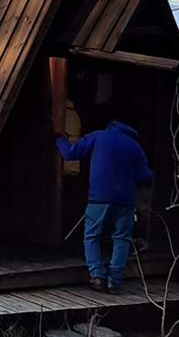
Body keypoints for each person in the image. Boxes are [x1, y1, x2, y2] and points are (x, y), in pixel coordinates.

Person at [56, 119, 154, 291]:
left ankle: (97, 276)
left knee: (92, 235)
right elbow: (146, 177)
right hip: (126, 200)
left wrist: (59, 140)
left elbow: (70, 154)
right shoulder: (135, 147)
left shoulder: (98, 137)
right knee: (122, 238)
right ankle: (114, 280)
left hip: (99, 197)